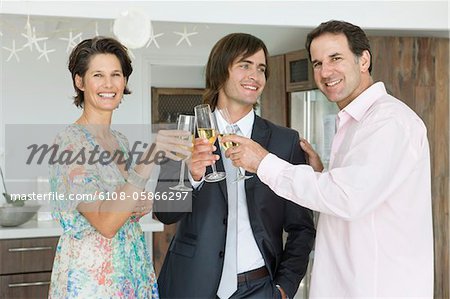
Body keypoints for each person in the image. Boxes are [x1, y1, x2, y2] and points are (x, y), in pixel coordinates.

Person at [223, 20, 434, 298]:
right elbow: (352, 193)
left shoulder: (389, 122)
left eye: (336, 58)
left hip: (377, 286)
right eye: (317, 63)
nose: (325, 71)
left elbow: (347, 198)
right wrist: (322, 175)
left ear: (363, 60)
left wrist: (263, 162)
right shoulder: (353, 123)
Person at [154, 33, 316, 299]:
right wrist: (191, 178)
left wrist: (284, 288)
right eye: (245, 65)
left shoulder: (284, 141)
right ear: (220, 72)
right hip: (190, 284)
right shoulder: (184, 135)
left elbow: (301, 228)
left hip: (260, 288)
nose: (255, 75)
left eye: (261, 68)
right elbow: (165, 213)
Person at [48, 36, 190, 298]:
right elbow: (106, 223)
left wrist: (143, 202)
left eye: (116, 74)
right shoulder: (70, 143)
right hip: (94, 281)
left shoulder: (119, 140)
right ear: (80, 81)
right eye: (98, 75)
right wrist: (149, 157)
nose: (109, 84)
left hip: (130, 270)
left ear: (124, 81)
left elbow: (123, 200)